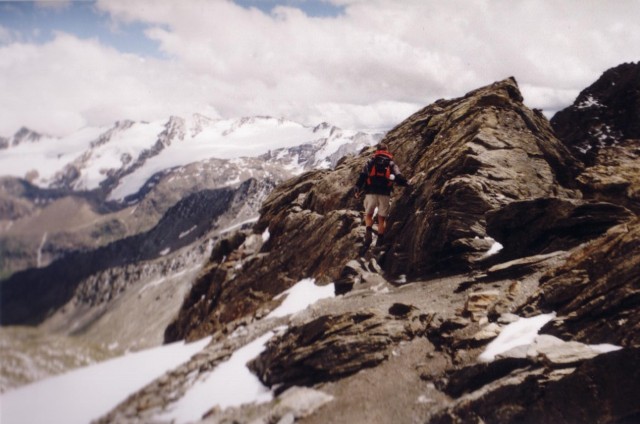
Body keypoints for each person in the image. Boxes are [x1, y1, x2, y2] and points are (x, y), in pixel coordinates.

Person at [354, 143, 408, 248]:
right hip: (385, 194)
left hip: (371, 193)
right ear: (386, 150)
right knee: (381, 219)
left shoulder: (370, 161)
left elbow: (363, 176)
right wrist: (406, 183)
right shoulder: (391, 163)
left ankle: (368, 234)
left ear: (377, 151)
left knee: (368, 215)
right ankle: (379, 241)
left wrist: (357, 188)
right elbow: (399, 176)